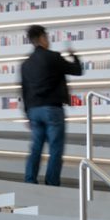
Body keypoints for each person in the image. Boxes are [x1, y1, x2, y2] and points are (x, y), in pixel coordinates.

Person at [20, 24, 83, 186]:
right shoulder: (53, 57)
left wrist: (27, 114)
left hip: (34, 111)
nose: (48, 40)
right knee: (55, 148)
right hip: (52, 110)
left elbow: (24, 91)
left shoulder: (26, 65)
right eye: (46, 37)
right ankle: (52, 183)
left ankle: (29, 180)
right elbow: (77, 70)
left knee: (36, 148)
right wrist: (73, 54)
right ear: (41, 38)